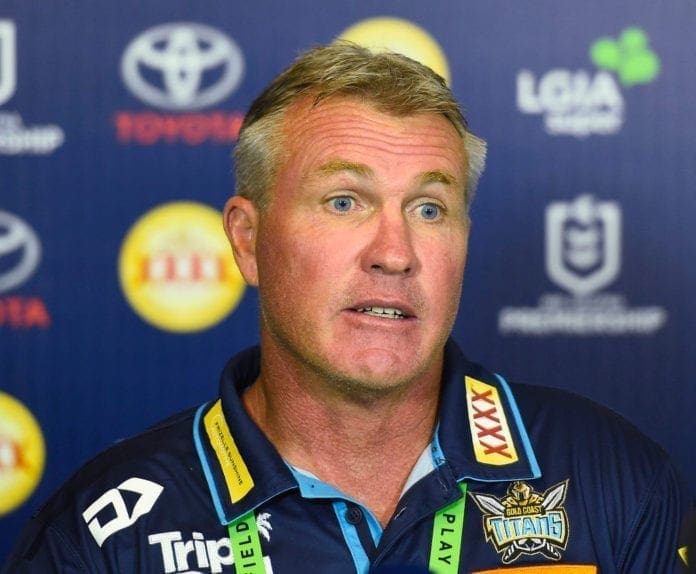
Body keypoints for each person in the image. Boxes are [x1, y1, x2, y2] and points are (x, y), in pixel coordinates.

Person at [2, 42, 692, 573]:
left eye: (429, 208)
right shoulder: (104, 534)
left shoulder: (615, 477)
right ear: (248, 241)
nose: (395, 253)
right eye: (344, 202)